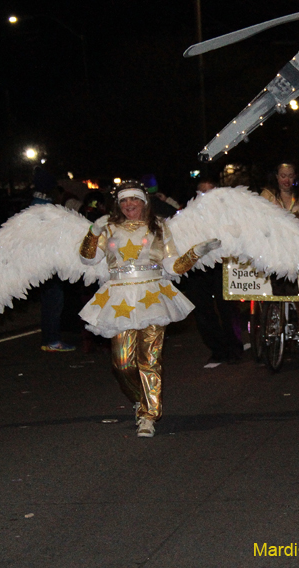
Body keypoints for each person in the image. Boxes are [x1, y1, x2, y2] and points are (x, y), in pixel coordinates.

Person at [78, 180, 220, 437]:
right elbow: (88, 258)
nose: (129, 204)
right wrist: (93, 231)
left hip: (152, 296)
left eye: (134, 199)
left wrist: (196, 252)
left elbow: (173, 266)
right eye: (124, 200)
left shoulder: (159, 227)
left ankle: (148, 415)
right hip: (119, 297)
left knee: (150, 360)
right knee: (122, 364)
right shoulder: (109, 228)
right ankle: (140, 399)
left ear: (144, 202)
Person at [184, 177, 244, 367]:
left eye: (211, 191)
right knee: (203, 310)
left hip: (221, 265)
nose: (207, 196)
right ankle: (218, 349)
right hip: (198, 268)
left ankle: (234, 347)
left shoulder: (226, 213)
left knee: (228, 307)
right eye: (202, 192)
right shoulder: (189, 214)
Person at [31, 167, 76, 352]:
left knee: (50, 301)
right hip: (49, 262)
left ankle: (49, 338)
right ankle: (52, 340)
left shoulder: (35, 206)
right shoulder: (45, 209)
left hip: (43, 261)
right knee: (53, 301)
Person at [260, 163, 299, 230]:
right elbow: (259, 219)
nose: (287, 180)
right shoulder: (267, 195)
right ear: (277, 176)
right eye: (283, 176)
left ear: (295, 176)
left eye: (290, 176)